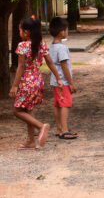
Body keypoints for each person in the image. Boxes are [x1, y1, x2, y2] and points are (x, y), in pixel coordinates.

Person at [9, 16, 62, 150]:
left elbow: (20, 67)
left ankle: (40, 126)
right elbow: (50, 62)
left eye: (20, 30)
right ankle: (31, 141)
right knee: (28, 109)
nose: (19, 32)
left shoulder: (23, 45)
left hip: (26, 81)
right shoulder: (41, 44)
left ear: (26, 32)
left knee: (17, 111)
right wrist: (58, 77)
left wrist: (15, 85)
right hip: (38, 80)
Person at [49, 17, 78, 140]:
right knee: (65, 104)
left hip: (55, 81)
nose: (66, 32)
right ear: (61, 31)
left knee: (57, 105)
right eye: (65, 30)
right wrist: (71, 83)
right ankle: (64, 130)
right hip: (63, 81)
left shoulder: (52, 46)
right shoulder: (61, 48)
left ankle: (59, 128)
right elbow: (64, 65)